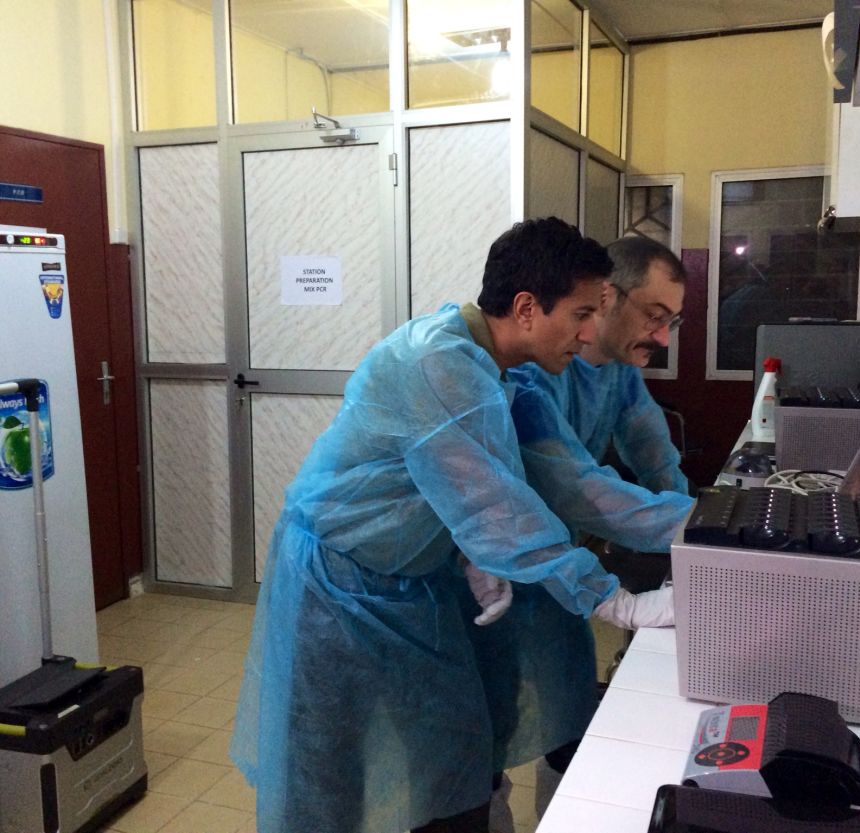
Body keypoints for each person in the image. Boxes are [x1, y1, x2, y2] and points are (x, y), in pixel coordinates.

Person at [231, 218, 679, 833]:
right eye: (580, 314)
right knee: (326, 772)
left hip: (415, 585)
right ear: (526, 308)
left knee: (456, 756)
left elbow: (568, 481)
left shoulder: (509, 372)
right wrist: (613, 601)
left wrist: (702, 526)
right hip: (335, 585)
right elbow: (499, 509)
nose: (588, 333)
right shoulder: (435, 362)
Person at [474, 234, 695, 825]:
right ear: (606, 297)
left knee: (567, 718)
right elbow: (577, 488)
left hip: (555, 566)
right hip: (499, 572)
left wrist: (698, 526)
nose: (662, 337)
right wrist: (705, 530)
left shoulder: (614, 373)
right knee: (483, 740)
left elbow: (654, 454)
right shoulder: (529, 372)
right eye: (655, 317)